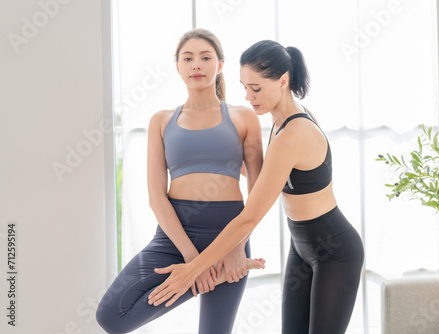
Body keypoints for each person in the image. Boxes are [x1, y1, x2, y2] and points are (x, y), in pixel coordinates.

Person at [147, 40, 365, 334]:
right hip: (301, 246)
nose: (249, 97)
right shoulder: (280, 120)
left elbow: (250, 217)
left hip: (335, 250)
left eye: (257, 88)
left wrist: (192, 269)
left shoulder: (294, 133)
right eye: (244, 87)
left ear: (283, 81)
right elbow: (264, 174)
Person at [96, 29, 265, 334]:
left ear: (220, 64)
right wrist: (193, 264)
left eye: (205, 57)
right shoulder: (161, 120)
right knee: (111, 316)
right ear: (177, 67)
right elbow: (156, 197)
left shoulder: (244, 117)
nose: (196, 65)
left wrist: (236, 246)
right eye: (188, 58)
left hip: (229, 238)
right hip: (173, 239)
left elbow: (259, 193)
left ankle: (225, 270)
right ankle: (221, 274)